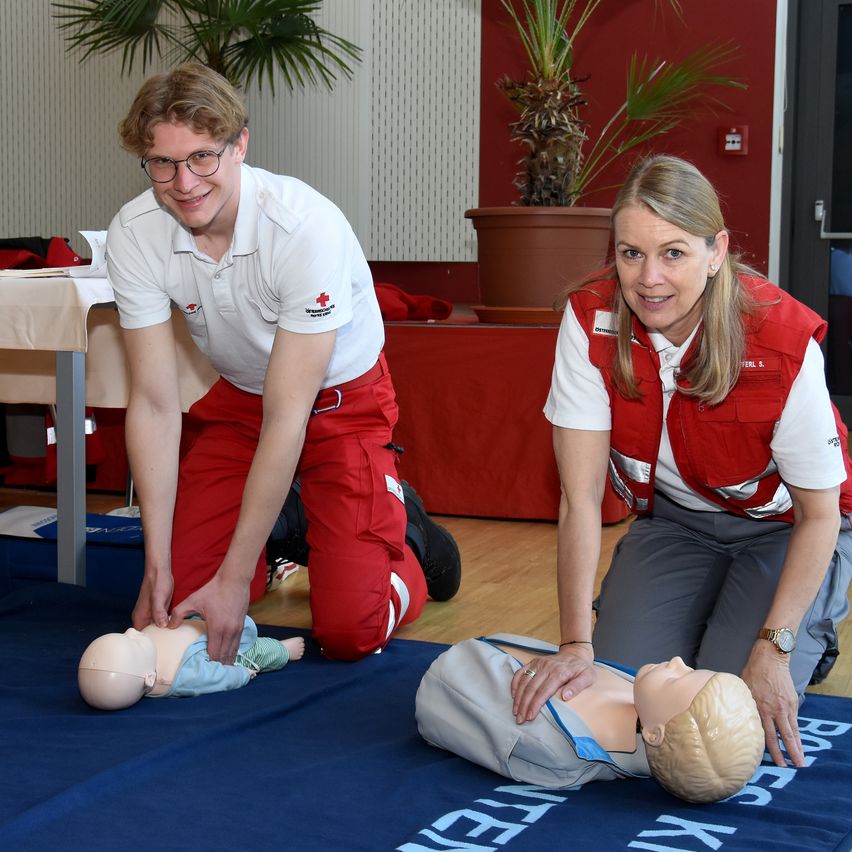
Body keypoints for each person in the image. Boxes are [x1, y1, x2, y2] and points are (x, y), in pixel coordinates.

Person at [106, 63, 461, 666]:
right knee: (188, 600)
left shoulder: (302, 228)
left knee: (351, 631)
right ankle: (285, 528)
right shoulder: (134, 234)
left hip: (337, 404)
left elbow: (288, 415)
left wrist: (231, 575)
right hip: (243, 402)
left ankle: (410, 539)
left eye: (202, 158)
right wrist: (158, 568)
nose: (183, 182)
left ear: (240, 143)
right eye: (162, 163)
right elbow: (156, 404)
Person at [511, 155, 852, 769]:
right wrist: (573, 643)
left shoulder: (779, 337)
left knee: (721, 716)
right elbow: (580, 498)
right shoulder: (591, 318)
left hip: (787, 531)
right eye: (630, 253)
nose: (649, 279)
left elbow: (820, 515)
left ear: (716, 250)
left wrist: (773, 650)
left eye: (673, 253)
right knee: (619, 694)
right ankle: (708, 619)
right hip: (677, 525)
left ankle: (807, 635)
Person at [415, 635, 765, 804]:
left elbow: (447, 685)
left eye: (678, 678)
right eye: (687, 668)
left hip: (449, 670)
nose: (676, 660)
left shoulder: (559, 752)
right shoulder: (644, 699)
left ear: (656, 734)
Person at [78, 617, 304, 710]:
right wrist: (241, 674)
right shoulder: (179, 677)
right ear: (148, 679)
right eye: (133, 642)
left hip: (201, 622)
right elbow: (215, 678)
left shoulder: (142, 648)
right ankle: (283, 650)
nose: (131, 631)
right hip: (226, 650)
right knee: (261, 651)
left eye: (125, 635)